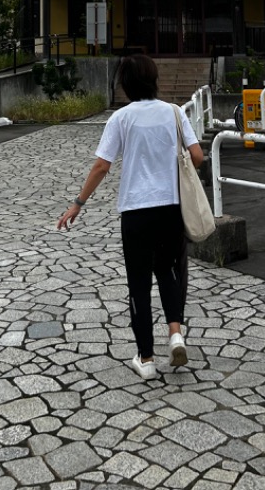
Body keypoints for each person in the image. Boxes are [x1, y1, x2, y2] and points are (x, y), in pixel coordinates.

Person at [57, 54, 204, 380]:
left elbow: (102, 166)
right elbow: (197, 155)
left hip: (136, 210)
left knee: (138, 283)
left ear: (125, 84)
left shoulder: (121, 119)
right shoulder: (174, 112)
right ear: (154, 80)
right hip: (170, 208)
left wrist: (78, 204)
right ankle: (176, 334)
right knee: (168, 271)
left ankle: (146, 359)